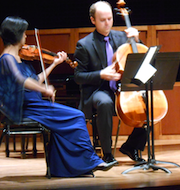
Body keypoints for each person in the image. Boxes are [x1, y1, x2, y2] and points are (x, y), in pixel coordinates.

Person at [0, 16, 117, 177]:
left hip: (35, 105)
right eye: (24, 33)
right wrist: (44, 89)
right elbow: (21, 81)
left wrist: (54, 64)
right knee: (77, 116)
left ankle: (64, 168)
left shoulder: (17, 58)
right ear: (16, 34)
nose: (26, 36)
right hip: (26, 109)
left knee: (70, 120)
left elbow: (34, 79)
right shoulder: (6, 58)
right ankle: (90, 161)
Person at [74, 1, 147, 164]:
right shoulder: (84, 45)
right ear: (93, 20)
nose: (107, 23)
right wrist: (101, 74)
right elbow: (78, 76)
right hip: (98, 90)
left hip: (124, 88)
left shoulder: (122, 37)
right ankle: (107, 153)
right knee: (105, 102)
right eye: (102, 20)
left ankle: (132, 146)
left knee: (148, 101)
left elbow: (140, 58)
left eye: (110, 19)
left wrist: (138, 40)